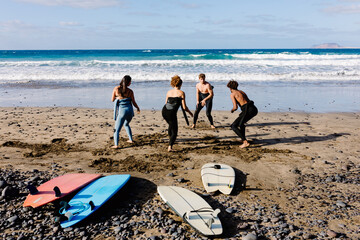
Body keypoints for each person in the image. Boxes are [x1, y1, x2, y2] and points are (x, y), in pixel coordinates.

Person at [162, 75, 193, 152]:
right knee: (175, 131)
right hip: (171, 113)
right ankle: (170, 147)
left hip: (164, 111)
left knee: (171, 125)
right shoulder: (181, 93)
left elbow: (166, 103)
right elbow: (184, 107)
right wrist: (190, 113)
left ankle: (170, 140)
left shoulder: (169, 92)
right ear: (180, 84)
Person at [111, 75, 140, 149]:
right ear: (129, 83)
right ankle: (130, 139)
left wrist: (118, 98)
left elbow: (112, 100)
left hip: (122, 111)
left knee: (117, 129)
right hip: (130, 110)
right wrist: (137, 108)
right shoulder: (130, 91)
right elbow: (133, 102)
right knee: (126, 124)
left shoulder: (116, 89)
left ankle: (116, 145)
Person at [227, 80, 258, 148]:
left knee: (234, 126)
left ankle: (245, 142)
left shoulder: (232, 94)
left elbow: (235, 107)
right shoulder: (241, 92)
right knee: (241, 124)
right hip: (254, 109)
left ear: (230, 88)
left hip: (247, 110)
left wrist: (232, 110)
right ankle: (243, 139)